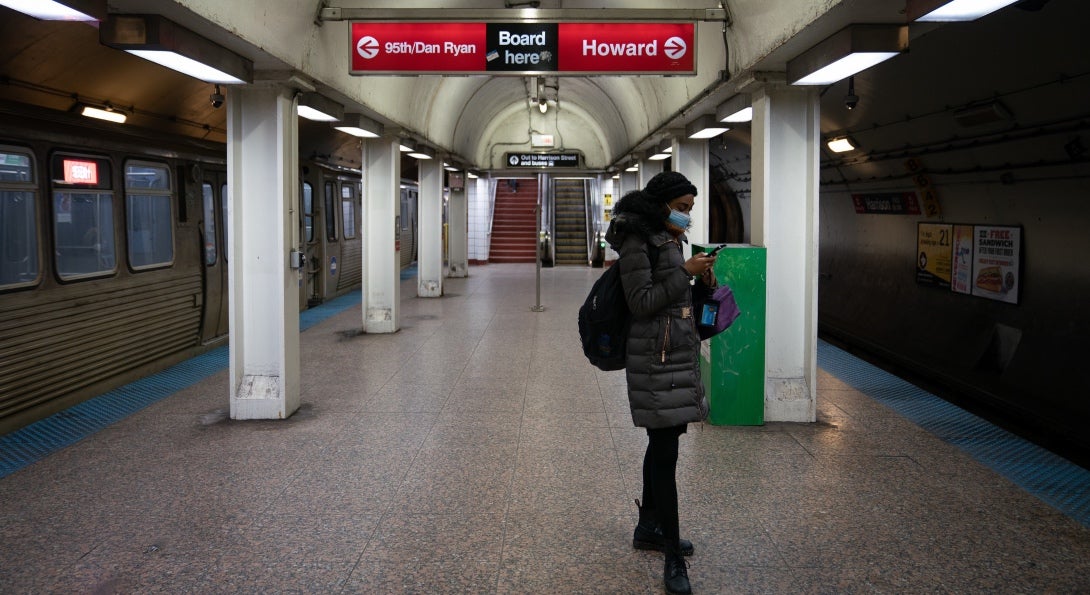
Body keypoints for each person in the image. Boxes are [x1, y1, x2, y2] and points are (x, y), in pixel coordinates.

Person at [604, 170, 714, 595]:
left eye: (690, 210)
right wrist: (683, 272)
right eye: (683, 209)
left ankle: (648, 527)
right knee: (666, 454)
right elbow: (642, 301)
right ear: (663, 204)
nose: (687, 217)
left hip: (675, 357)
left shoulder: (669, 235)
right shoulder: (638, 239)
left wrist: (702, 279)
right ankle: (671, 556)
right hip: (655, 359)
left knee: (662, 445)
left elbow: (674, 296)